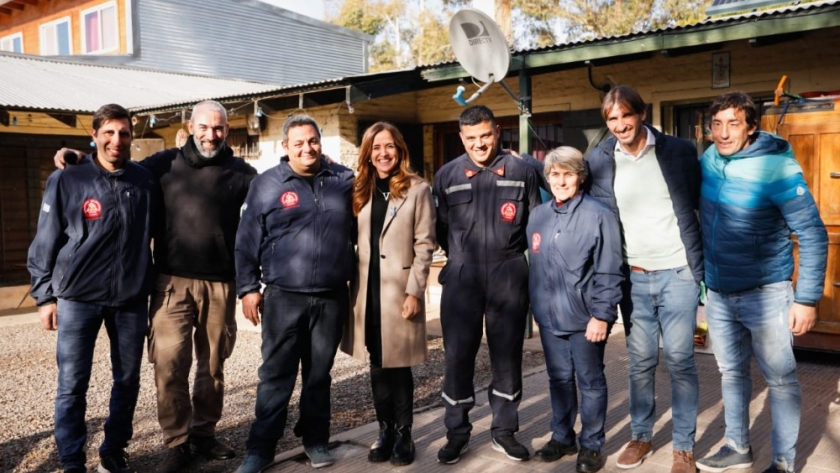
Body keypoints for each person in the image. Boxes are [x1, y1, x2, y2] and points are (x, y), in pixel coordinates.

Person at [56, 100, 257, 473]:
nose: (211, 134)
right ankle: (178, 441)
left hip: (221, 285)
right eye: (204, 127)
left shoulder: (243, 172)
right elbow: (114, 167)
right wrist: (80, 157)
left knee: (212, 366)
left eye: (218, 128)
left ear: (227, 130)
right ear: (190, 126)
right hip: (169, 283)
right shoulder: (161, 165)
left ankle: (203, 434)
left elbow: (270, 207)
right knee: (168, 365)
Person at [695, 92, 827, 473]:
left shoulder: (777, 168)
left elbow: (813, 234)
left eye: (733, 123)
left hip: (766, 294)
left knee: (781, 380)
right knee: (731, 372)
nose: (722, 133)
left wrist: (806, 299)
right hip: (719, 292)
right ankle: (737, 445)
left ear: (751, 127)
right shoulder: (709, 160)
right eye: (716, 124)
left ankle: (784, 462)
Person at [28, 104, 160, 473]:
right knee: (72, 384)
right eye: (109, 133)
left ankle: (114, 450)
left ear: (133, 137)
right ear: (95, 134)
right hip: (77, 298)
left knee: (128, 379)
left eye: (124, 133)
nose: (116, 140)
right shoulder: (68, 179)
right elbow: (45, 241)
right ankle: (72, 459)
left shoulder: (144, 180)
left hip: (130, 299)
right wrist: (44, 296)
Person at [585, 86, 703, 473]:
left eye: (626, 116)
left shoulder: (679, 151)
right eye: (612, 119)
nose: (620, 125)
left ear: (642, 114)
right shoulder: (599, 160)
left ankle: (683, 448)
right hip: (632, 277)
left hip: (678, 272)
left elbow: (705, 203)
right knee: (640, 361)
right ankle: (641, 436)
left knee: (682, 359)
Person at [234, 114, 355, 473]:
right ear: (285, 147)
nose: (307, 148)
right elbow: (246, 241)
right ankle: (260, 449)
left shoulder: (342, 181)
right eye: (298, 142)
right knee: (276, 375)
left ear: (322, 143)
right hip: (284, 296)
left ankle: (315, 440)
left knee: (319, 375)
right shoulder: (267, 185)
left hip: (331, 297)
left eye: (313, 141)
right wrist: (247, 289)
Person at [432, 105, 542, 464]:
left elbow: (533, 225)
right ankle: (457, 432)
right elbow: (441, 229)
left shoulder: (522, 172)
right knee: (458, 355)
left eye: (485, 135)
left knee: (507, 355)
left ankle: (504, 431)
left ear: (497, 131)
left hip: (507, 271)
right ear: (462, 138)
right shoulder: (447, 176)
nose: (480, 144)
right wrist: (462, 256)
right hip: (462, 273)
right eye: (471, 138)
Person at [340, 122, 436, 466]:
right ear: (368, 153)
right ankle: (384, 430)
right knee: (378, 365)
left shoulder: (417, 189)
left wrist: (415, 292)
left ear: (400, 150)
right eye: (376, 147)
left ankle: (404, 434)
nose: (383, 153)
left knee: (400, 366)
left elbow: (425, 245)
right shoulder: (359, 189)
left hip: (399, 292)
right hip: (366, 293)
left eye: (390, 146)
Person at [527, 147, 623, 473]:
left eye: (568, 174)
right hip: (549, 316)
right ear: (548, 178)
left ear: (579, 177)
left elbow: (610, 269)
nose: (561, 180)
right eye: (555, 174)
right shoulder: (538, 215)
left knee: (590, 381)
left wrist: (602, 315)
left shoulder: (599, 214)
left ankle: (592, 445)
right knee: (558, 378)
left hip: (586, 319)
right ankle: (562, 436)